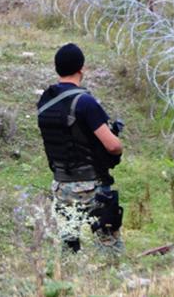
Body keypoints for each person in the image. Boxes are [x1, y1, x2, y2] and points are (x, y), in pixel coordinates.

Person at [36, 43, 124, 254]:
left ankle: (68, 282)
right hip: (91, 185)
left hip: (61, 184)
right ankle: (110, 283)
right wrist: (117, 147)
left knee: (69, 245)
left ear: (57, 68)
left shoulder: (45, 102)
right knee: (108, 241)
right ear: (81, 69)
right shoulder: (85, 102)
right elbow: (112, 145)